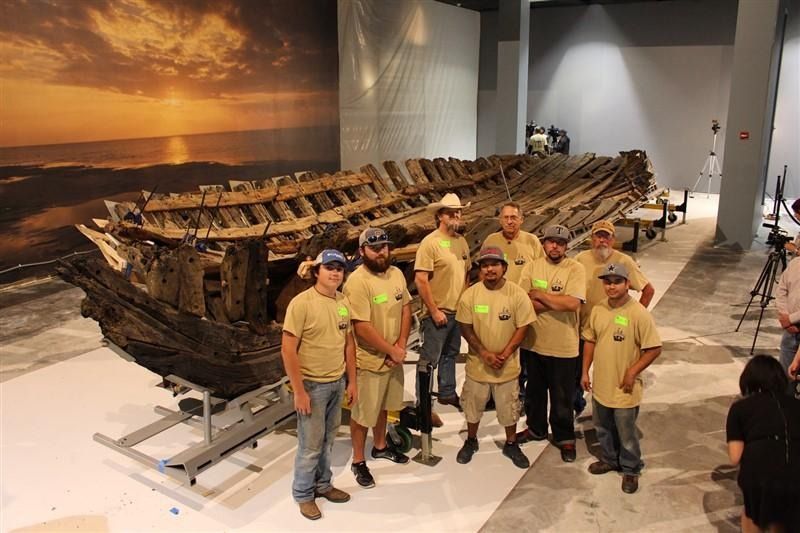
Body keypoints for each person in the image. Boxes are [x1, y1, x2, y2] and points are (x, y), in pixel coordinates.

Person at [281, 249, 358, 521]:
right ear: (317, 272)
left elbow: (349, 343)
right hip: (312, 386)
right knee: (310, 445)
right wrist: (299, 391)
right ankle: (303, 493)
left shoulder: (343, 302)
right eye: (329, 268)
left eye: (339, 268)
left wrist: (351, 380)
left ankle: (323, 484)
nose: (335, 272)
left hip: (336, 383)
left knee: (328, 440)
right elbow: (288, 349)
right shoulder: (301, 304)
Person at [580, 263, 662, 494]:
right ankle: (609, 459)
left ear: (628, 284)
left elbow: (654, 348)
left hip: (625, 388)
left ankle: (630, 468)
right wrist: (585, 370)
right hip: (601, 385)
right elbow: (590, 340)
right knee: (602, 427)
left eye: (617, 281)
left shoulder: (638, 314)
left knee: (626, 433)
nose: (611, 286)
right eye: (607, 282)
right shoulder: (598, 309)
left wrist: (632, 371)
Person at [455, 247, 537, 468]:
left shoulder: (517, 294)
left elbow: (523, 326)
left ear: (504, 268)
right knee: (473, 405)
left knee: (509, 408)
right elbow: (465, 326)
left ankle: (511, 443)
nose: (489, 269)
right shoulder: (471, 295)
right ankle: (471, 440)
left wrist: (506, 353)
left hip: (507, 366)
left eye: (494, 264)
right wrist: (483, 352)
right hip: (478, 366)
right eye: (484, 265)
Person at [343, 228, 412, 488]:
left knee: (384, 404)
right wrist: (390, 350)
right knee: (362, 414)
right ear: (362, 251)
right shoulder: (357, 282)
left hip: (394, 357)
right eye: (375, 248)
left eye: (384, 246)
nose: (381, 252)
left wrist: (401, 344)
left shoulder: (396, 274)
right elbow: (360, 327)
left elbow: (406, 308)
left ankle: (381, 446)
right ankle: (358, 460)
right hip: (370, 361)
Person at [516, 224, 586, 463]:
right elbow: (523, 304)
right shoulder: (531, 267)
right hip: (533, 343)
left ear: (567, 246)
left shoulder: (575, 268)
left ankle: (564, 437)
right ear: (544, 244)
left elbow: (572, 304)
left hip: (564, 345)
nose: (555, 246)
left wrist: (541, 295)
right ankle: (536, 428)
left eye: (560, 242)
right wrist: (555, 301)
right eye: (551, 241)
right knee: (534, 392)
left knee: (562, 395)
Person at [574, 220, 655, 415]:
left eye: (606, 236)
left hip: (613, 331)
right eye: (598, 236)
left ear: (613, 239)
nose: (602, 240)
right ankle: (577, 404)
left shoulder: (624, 261)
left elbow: (648, 290)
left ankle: (613, 408)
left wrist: (634, 317)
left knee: (612, 372)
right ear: (591, 239)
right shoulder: (580, 259)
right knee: (577, 372)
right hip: (584, 329)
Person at [414, 192, 471, 424]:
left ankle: (447, 393)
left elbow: (466, 272)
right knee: (429, 360)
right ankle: (423, 406)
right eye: (451, 212)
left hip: (457, 311)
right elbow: (421, 279)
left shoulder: (461, 241)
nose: (456, 216)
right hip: (438, 313)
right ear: (440, 216)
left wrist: (464, 304)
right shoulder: (431, 243)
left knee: (450, 353)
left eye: (458, 212)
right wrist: (434, 310)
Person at [726, 355, 800, 532]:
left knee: (752, 513)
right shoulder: (797, 405)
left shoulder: (739, 408)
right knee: (784, 518)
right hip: (796, 472)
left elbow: (735, 457)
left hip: (760, 474)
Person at [482, 201, 544, 406]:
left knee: (522, 353)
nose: (510, 221)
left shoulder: (532, 241)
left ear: (521, 220)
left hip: (523, 307)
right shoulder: (491, 240)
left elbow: (541, 270)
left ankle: (519, 394)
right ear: (500, 220)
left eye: (514, 217)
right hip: (496, 305)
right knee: (496, 347)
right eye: (506, 218)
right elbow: (484, 270)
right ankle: (492, 394)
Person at [776, 254, 800, 373]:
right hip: (790, 330)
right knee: (785, 377)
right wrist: (784, 315)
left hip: (791, 323)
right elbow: (781, 290)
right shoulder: (795, 263)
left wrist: (790, 319)